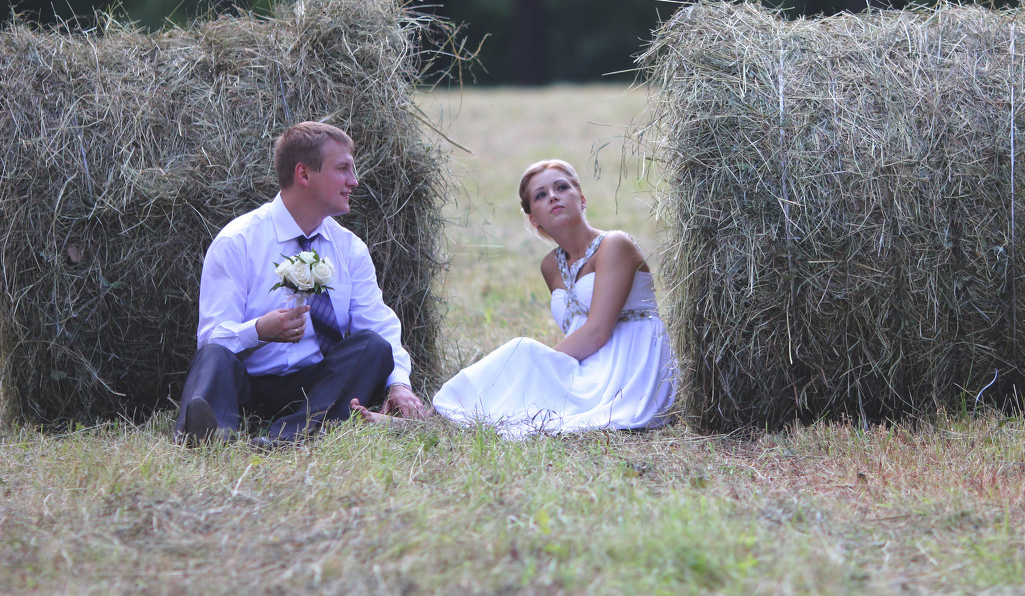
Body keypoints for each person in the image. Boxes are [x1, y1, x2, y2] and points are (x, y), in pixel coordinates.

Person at [354, 158, 675, 439]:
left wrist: (540, 362)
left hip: (633, 365)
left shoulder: (615, 244)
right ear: (533, 218)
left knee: (522, 353)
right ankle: (434, 418)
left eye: (562, 187)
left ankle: (429, 420)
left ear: (582, 197)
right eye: (541, 195)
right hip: (589, 364)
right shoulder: (551, 265)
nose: (553, 196)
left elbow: (597, 331)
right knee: (525, 383)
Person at [174, 121, 425, 448]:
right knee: (214, 355)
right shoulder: (238, 242)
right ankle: (210, 435)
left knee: (373, 346)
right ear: (304, 175)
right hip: (251, 387)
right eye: (343, 169)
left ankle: (288, 436)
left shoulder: (349, 248)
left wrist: (399, 384)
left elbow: (378, 324)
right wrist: (259, 330)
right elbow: (211, 338)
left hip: (321, 390)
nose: (355, 181)